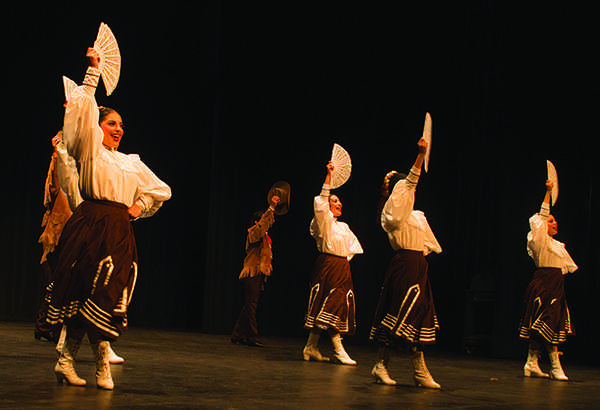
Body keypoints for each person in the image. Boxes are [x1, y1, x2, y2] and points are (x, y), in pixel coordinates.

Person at [46, 47, 171, 390]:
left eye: (121, 125)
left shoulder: (130, 161)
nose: (118, 129)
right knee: (82, 292)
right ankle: (77, 361)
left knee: (108, 294)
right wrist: (92, 72)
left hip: (118, 229)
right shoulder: (89, 150)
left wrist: (140, 205)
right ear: (97, 127)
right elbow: (79, 117)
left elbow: (162, 188)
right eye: (111, 123)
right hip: (89, 223)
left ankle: (83, 360)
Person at [369, 138, 442, 388]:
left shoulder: (417, 216)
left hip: (418, 267)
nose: (409, 190)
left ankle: (417, 370)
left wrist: (419, 261)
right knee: (398, 314)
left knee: (418, 316)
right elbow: (409, 183)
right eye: (403, 188)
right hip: (404, 266)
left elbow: (430, 245)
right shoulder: (392, 213)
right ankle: (382, 365)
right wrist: (420, 156)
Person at [302, 161, 363, 365]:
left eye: (339, 202)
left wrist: (343, 261)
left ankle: (311, 346)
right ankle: (339, 349)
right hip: (327, 266)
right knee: (329, 306)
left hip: (341, 268)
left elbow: (354, 247)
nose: (339, 204)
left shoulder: (343, 227)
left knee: (331, 308)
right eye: (334, 201)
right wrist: (328, 178)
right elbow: (320, 205)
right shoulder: (322, 224)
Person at [519, 179, 577, 381]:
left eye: (555, 221)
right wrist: (548, 193)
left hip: (556, 285)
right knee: (548, 324)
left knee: (545, 325)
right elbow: (541, 218)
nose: (554, 223)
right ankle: (555, 366)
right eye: (551, 221)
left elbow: (566, 268)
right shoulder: (539, 242)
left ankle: (531, 363)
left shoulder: (558, 245)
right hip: (544, 285)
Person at [231, 194, 281, 347]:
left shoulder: (265, 236)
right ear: (257, 222)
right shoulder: (253, 232)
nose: (267, 225)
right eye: (264, 221)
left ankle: (237, 334)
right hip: (252, 273)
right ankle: (252, 337)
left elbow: (267, 225)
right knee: (251, 306)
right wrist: (271, 208)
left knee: (249, 305)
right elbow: (264, 225)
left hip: (259, 274)